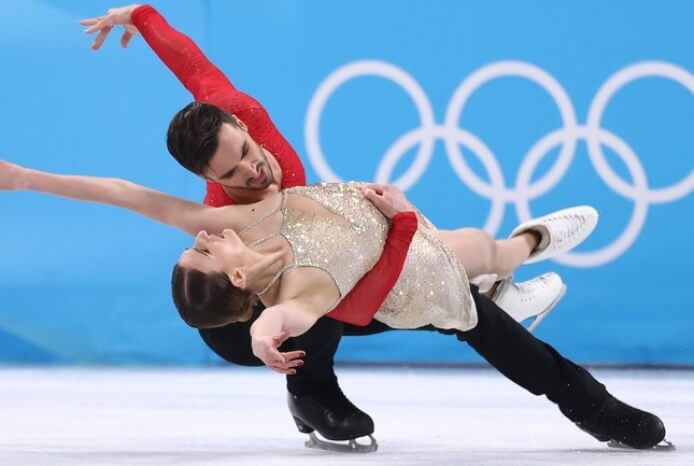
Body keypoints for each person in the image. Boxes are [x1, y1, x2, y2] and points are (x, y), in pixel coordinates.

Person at [76, 3, 568, 450]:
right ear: (208, 179)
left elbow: (193, 66)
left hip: (310, 278)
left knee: (435, 257)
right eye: (231, 176)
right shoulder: (226, 224)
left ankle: (506, 267)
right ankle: (315, 395)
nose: (253, 173)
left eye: (246, 154)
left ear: (242, 128)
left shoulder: (239, 113)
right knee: (317, 302)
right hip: (235, 319)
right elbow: (124, 194)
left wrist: (141, 16)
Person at [0, 159, 668, 451]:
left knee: (469, 272)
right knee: (352, 317)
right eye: (202, 251)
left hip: (364, 288)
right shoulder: (285, 296)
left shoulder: (244, 215)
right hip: (277, 321)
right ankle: (314, 394)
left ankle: (529, 251)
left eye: (195, 244)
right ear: (232, 276)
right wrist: (265, 335)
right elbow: (278, 319)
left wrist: (25, 179)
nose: (200, 235)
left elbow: (122, 192)